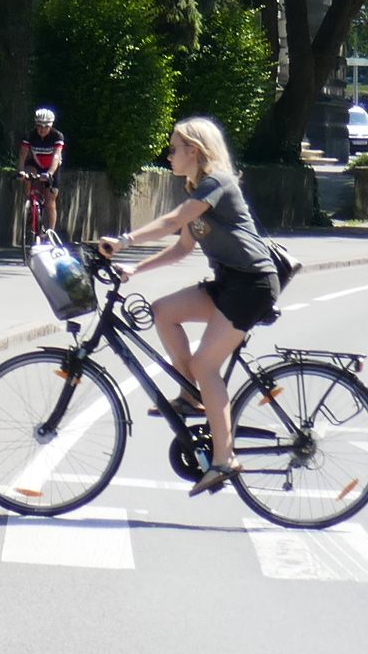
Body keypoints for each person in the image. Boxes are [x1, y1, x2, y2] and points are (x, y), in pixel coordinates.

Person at [97, 116, 279, 494]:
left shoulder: (216, 184)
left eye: (174, 148)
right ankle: (192, 395)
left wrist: (126, 239)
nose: (169, 154)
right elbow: (182, 247)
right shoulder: (200, 189)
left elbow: (174, 220)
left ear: (194, 151)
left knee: (204, 363)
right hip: (229, 283)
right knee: (163, 311)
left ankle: (224, 458)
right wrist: (134, 268)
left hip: (252, 285)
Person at [18, 107, 68, 238]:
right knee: (27, 175)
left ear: (51, 126)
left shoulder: (57, 136)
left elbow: (56, 156)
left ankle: (51, 232)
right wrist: (21, 171)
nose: (42, 129)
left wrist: (50, 173)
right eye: (39, 126)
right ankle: (30, 206)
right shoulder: (30, 135)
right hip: (35, 164)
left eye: (46, 126)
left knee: (50, 201)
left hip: (52, 167)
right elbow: (23, 154)